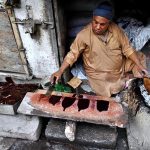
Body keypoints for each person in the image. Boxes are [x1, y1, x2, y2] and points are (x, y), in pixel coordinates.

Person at [51, 1, 148, 97]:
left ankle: (130, 77)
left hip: (120, 66)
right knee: (110, 88)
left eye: (102, 24)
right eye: (95, 22)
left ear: (109, 23)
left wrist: (139, 65)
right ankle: (127, 79)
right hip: (99, 73)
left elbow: (127, 49)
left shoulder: (116, 30)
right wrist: (60, 71)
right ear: (92, 19)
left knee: (139, 58)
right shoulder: (84, 35)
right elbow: (72, 54)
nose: (97, 27)